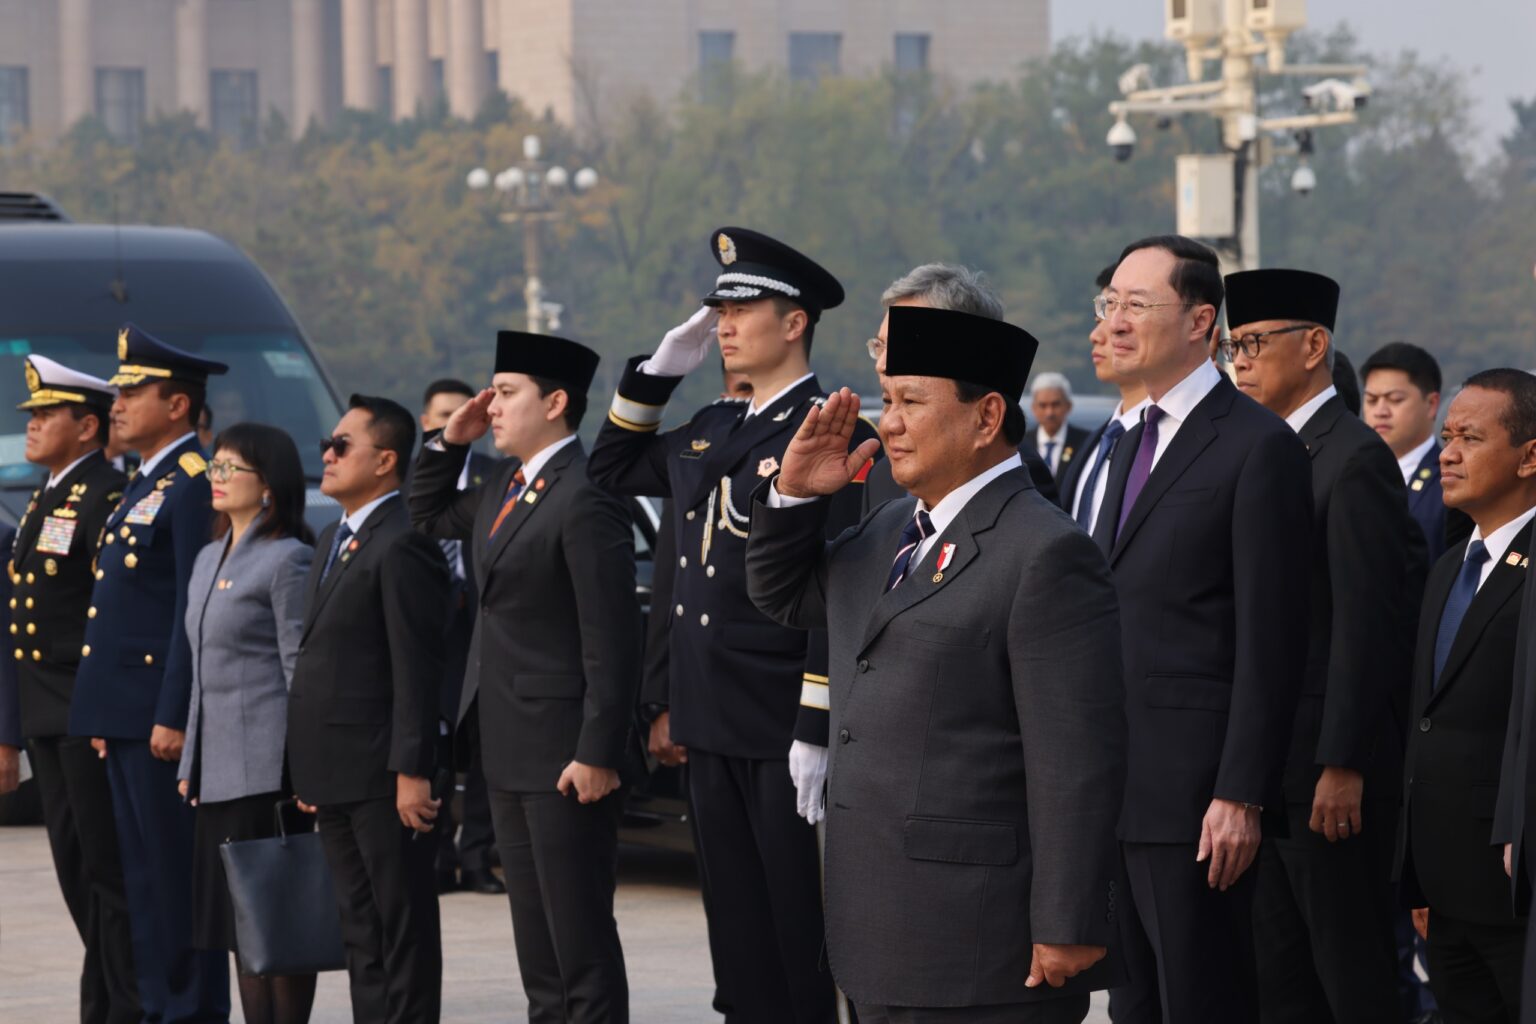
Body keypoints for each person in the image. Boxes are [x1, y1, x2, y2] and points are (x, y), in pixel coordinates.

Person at [745, 304, 1126, 1022]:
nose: (888, 422)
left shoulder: (1044, 551)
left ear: (986, 418)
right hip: (876, 926)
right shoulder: (892, 526)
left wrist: (1067, 921)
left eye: (911, 402)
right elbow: (782, 594)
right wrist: (793, 494)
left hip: (980, 939)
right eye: (886, 402)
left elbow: (1074, 760)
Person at [589, 227, 872, 1022]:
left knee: (795, 939)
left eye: (744, 308)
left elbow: (834, 585)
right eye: (719, 309)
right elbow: (611, 469)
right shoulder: (715, 423)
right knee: (737, 942)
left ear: (795, 323)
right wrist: (657, 373)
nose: (723, 324)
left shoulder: (829, 430)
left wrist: (817, 723)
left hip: (782, 720)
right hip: (712, 718)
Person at [1094, 237, 1313, 1024]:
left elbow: (1272, 637)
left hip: (1196, 801)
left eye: (1137, 305)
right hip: (1111, 788)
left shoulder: (1258, 447)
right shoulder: (1121, 442)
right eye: (1109, 303)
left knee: (1202, 1000)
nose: (1116, 321)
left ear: (1200, 321)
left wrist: (1240, 794)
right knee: (1134, 1006)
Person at [412, 331, 642, 1023]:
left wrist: (599, 751)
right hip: (507, 748)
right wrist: (450, 442)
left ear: (557, 402)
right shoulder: (500, 487)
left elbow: (613, 637)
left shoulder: (586, 494)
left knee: (580, 948)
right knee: (538, 951)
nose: (493, 405)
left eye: (508, 393)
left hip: (565, 753)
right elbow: (424, 512)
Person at [1225, 268, 1423, 1022]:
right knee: (1280, 980)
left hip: (1326, 779)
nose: (1239, 361)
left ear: (1313, 346)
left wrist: (1342, 760)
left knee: (1350, 976)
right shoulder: (1262, 453)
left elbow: (1366, 625)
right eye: (1231, 347)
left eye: (1253, 343)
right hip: (1267, 773)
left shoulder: (1352, 458)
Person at [69, 323, 231, 1023]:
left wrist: (174, 712)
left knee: (174, 881)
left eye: (135, 392)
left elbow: (191, 613)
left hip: (159, 719)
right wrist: (104, 714)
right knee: (140, 882)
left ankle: (191, 1011)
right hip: (123, 715)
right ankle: (162, 1010)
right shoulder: (145, 483)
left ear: (178, 405)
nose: (119, 403)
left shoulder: (193, 483)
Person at [286, 395, 450, 1024]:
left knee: (400, 924)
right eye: (328, 444)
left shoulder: (404, 540)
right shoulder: (333, 534)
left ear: (385, 461)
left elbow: (416, 667)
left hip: (384, 774)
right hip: (333, 770)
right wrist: (306, 769)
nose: (326, 455)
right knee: (358, 927)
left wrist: (413, 769)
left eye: (341, 446)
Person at [5, 356, 137, 1024]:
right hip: (46, 714)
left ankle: (125, 1003)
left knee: (106, 873)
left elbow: (111, 617)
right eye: (30, 415)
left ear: (87, 426)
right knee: (75, 873)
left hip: (85, 713)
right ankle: (107, 999)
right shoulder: (46, 495)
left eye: (46, 415)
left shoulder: (105, 496)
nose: (31, 426)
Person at [1405, 370, 1536, 1022]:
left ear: (1529, 456)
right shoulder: (1448, 569)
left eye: (1469, 438)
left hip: (1512, 881)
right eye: (1445, 436)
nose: (1446, 454)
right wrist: (1415, 874)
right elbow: (1422, 721)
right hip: (1443, 885)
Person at [177, 423, 316, 1024]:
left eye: (232, 468)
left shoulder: (288, 559)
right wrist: (190, 764)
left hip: (267, 772)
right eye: (215, 466)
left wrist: (307, 768)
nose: (218, 477)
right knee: (241, 929)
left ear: (269, 486)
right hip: (216, 773)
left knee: (278, 926)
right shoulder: (209, 556)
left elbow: (298, 673)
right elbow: (199, 671)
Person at [859, 264, 1060, 510]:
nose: (882, 363)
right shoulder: (883, 478)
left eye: (906, 339)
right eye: (887, 402)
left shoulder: (1016, 478)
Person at [417, 378, 502, 896]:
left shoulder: (497, 477)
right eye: (440, 414)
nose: (451, 421)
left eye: (460, 412)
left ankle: (476, 859)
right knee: (437, 753)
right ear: (427, 420)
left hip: (482, 633)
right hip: (432, 638)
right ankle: (439, 857)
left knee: (485, 752)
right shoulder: (415, 480)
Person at [1363, 342, 1474, 563]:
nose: (1380, 412)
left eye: (1395, 399)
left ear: (1432, 404)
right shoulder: (1356, 476)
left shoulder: (1453, 478)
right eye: (1371, 400)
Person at [1058, 265, 1149, 530]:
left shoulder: (1167, 442)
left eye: (1107, 324)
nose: (1096, 336)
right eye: (1100, 322)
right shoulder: (1100, 441)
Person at [1029, 372, 1089, 479]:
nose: (1049, 413)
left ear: (1068, 406)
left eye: (1055, 405)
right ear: (1034, 408)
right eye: (1043, 405)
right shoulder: (1020, 445)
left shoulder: (1086, 443)